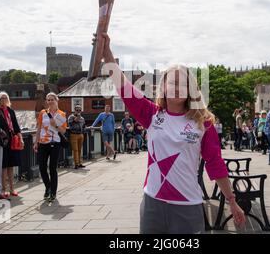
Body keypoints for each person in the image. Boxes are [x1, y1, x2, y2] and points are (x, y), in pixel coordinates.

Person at [99, 32, 245, 234]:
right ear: (163, 87)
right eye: (173, 83)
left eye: (184, 84)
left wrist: (231, 200)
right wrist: (106, 51)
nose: (178, 88)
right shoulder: (151, 114)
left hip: (187, 206)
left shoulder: (204, 123)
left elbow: (215, 163)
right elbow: (123, 86)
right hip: (152, 203)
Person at [33, 93, 67, 201]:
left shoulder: (61, 114)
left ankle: (53, 192)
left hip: (55, 142)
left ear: (56, 100)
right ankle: (48, 187)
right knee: (42, 167)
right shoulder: (43, 113)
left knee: (52, 168)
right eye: (48, 100)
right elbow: (39, 128)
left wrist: (55, 125)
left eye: (52, 99)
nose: (50, 101)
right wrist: (36, 142)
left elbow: (64, 130)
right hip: (43, 142)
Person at [0, 92, 23, 197]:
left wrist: (20, 138)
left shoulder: (10, 111)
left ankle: (12, 188)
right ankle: (3, 189)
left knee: (11, 165)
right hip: (3, 141)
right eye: (1, 98)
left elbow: (16, 126)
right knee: (3, 166)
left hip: (12, 140)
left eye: (5, 98)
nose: (3, 100)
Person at [68, 105, 86, 169]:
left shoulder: (82, 118)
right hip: (73, 134)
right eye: (77, 110)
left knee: (79, 150)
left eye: (80, 110)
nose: (78, 111)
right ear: (74, 110)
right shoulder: (71, 117)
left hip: (80, 135)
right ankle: (76, 164)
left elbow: (84, 126)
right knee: (75, 150)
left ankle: (80, 163)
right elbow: (75, 121)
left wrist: (83, 132)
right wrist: (78, 115)